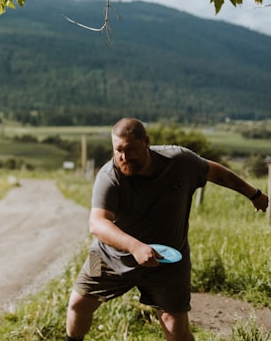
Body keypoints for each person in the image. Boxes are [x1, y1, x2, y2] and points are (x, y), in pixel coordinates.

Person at [65, 118, 269, 341]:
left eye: (130, 149)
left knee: (176, 329)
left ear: (146, 142)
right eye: (118, 150)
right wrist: (135, 246)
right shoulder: (109, 176)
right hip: (108, 256)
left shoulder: (179, 161)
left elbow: (215, 172)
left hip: (169, 261)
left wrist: (253, 193)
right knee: (78, 304)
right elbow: (97, 223)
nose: (124, 157)